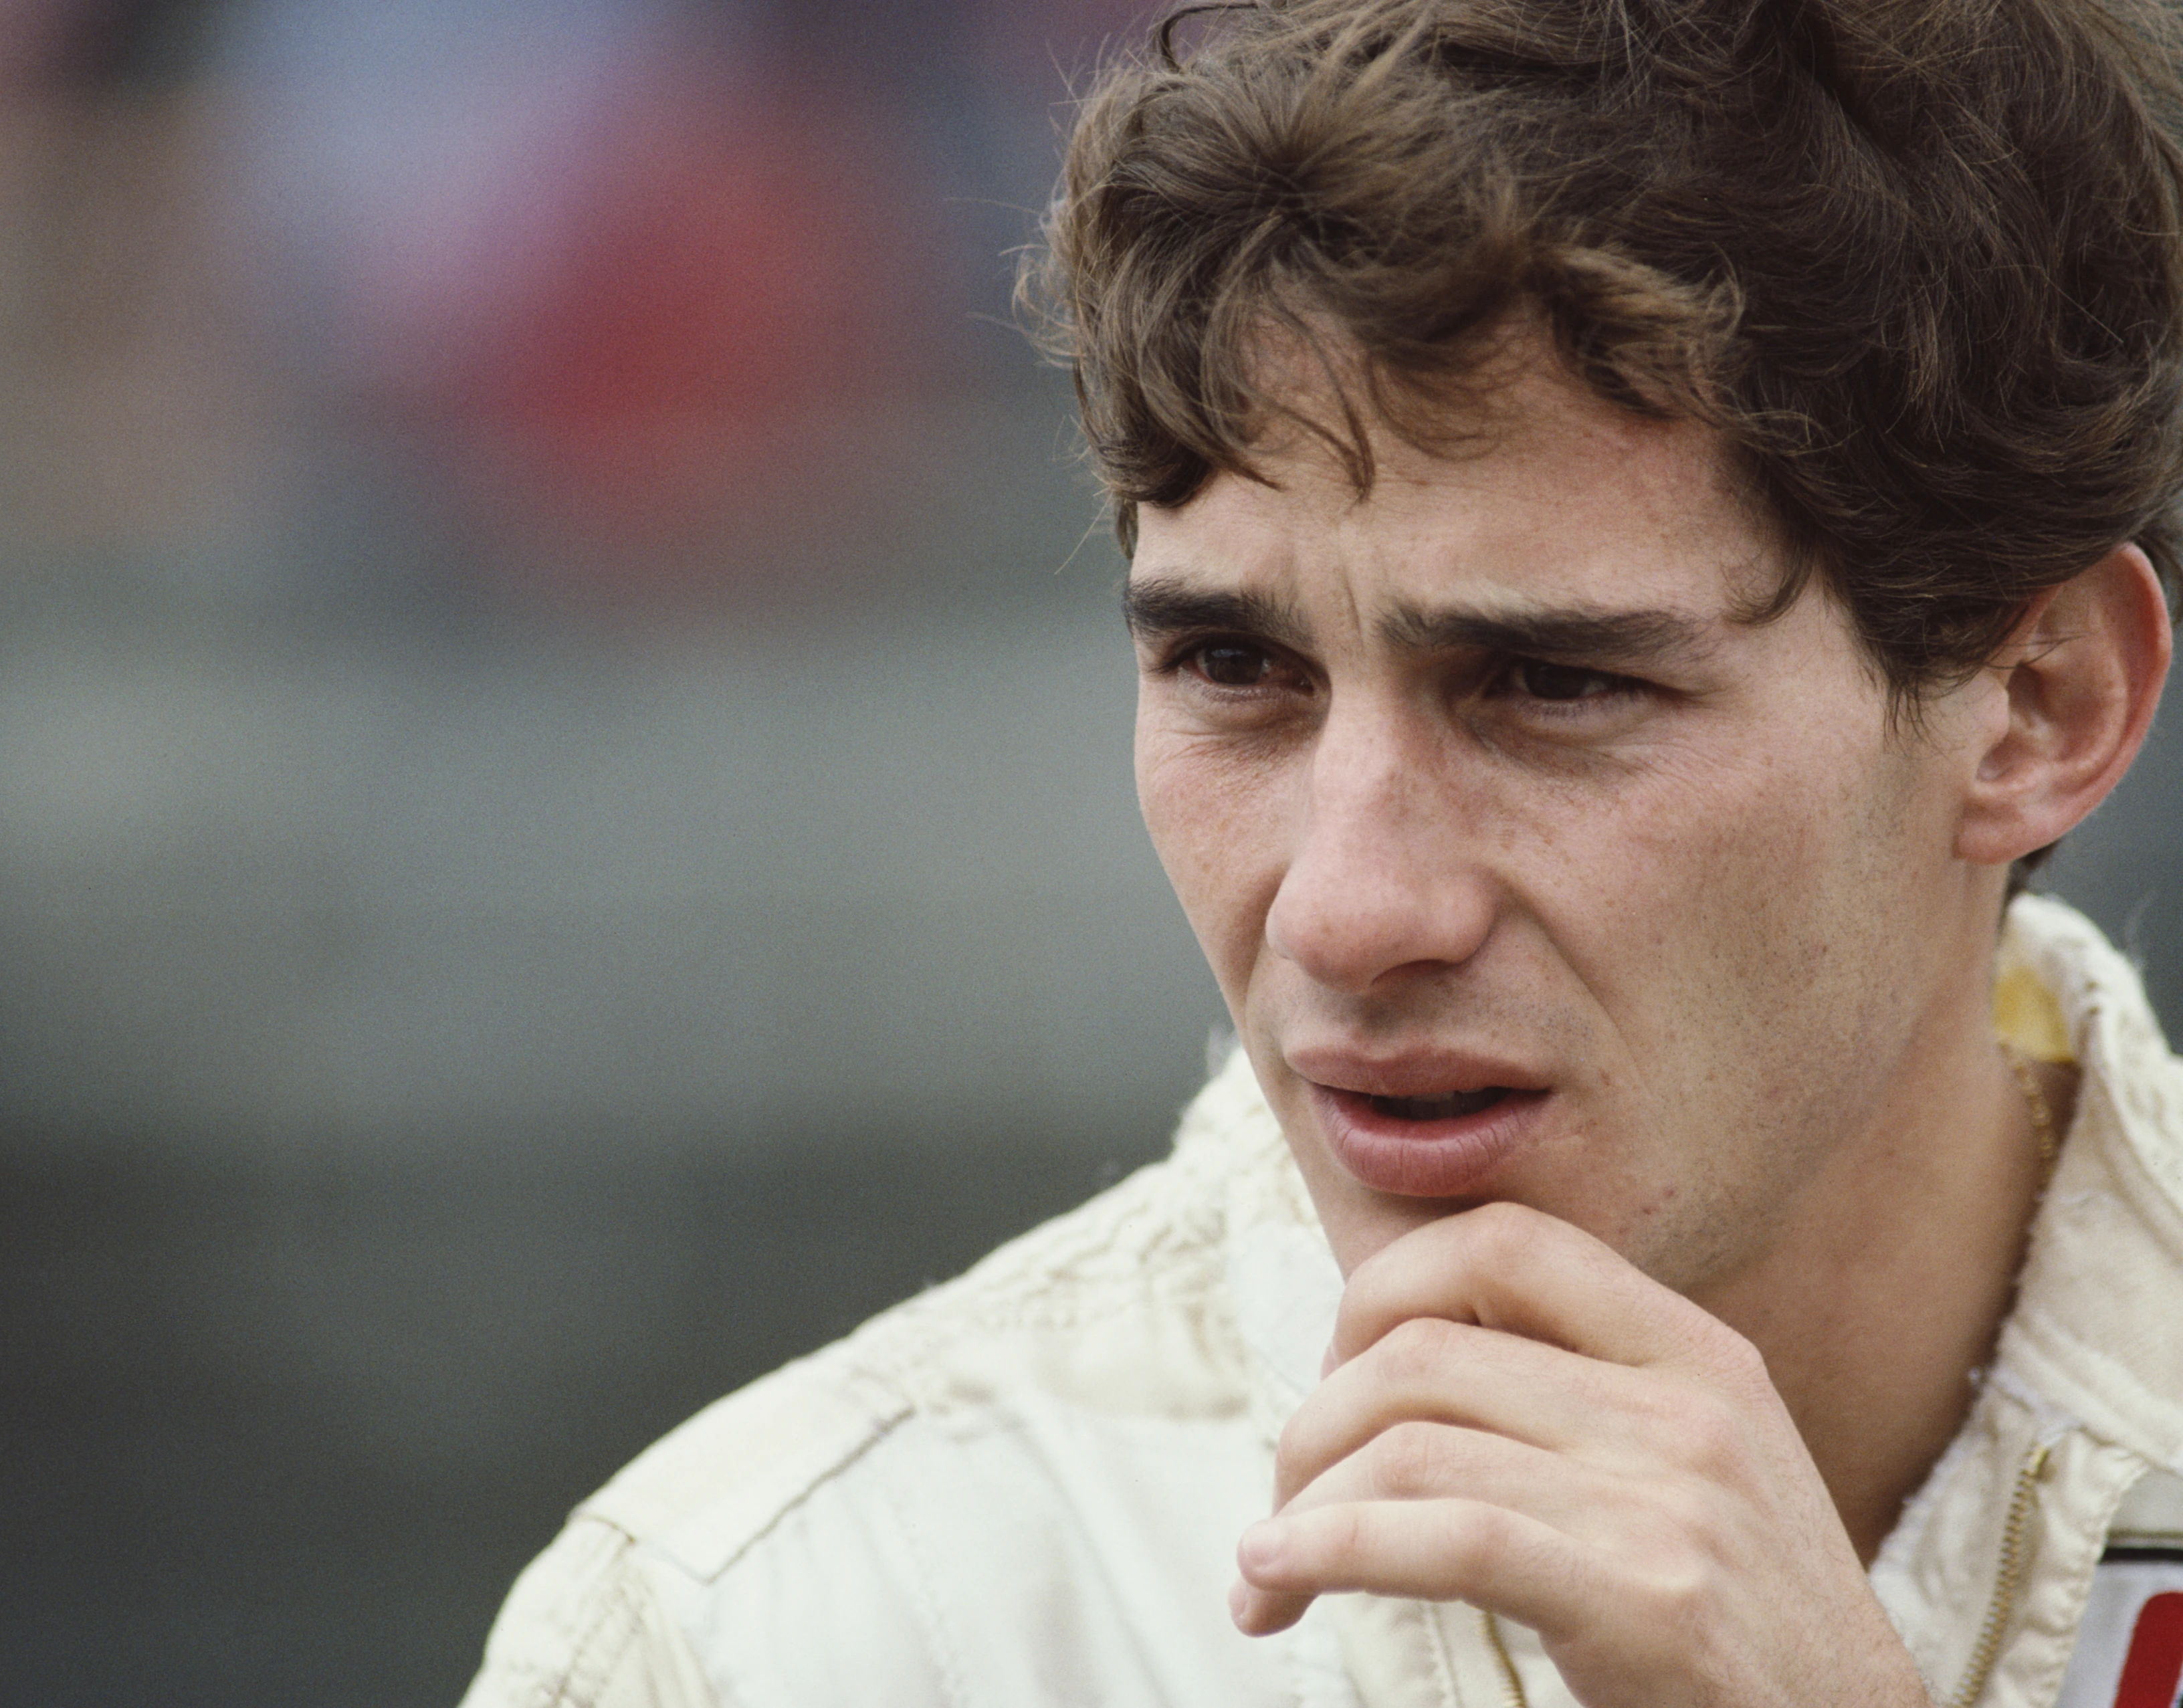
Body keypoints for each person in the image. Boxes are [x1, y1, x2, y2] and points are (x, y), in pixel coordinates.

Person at [458, 2, 2183, 1703]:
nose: (1349, 911)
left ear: (2040, 704)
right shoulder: (763, 1637)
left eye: (1556, 685)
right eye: (1234, 669)